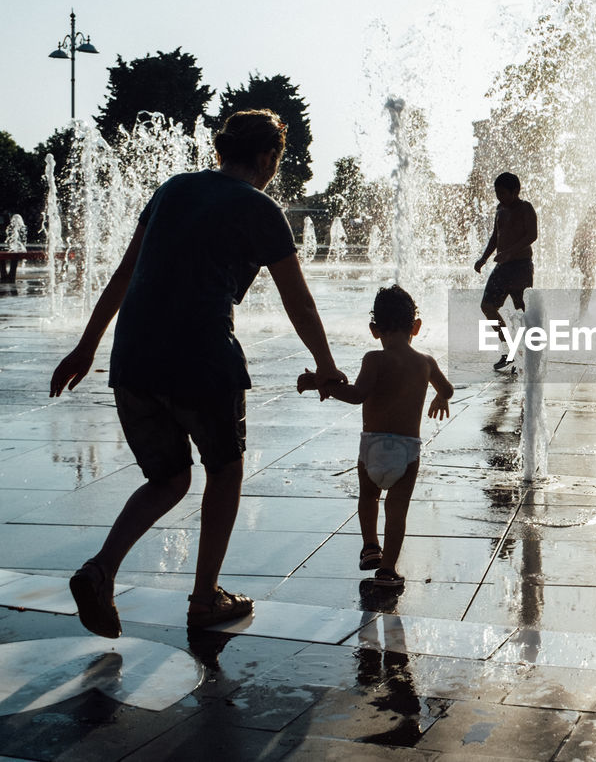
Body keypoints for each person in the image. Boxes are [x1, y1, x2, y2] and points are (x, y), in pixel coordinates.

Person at [49, 109, 345, 637]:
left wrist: (86, 346)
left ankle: (100, 570)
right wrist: (325, 365)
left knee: (168, 478)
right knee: (224, 469)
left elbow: (125, 272)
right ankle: (205, 598)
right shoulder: (261, 208)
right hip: (202, 355)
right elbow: (297, 299)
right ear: (265, 156)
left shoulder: (172, 189)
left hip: (134, 357)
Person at [297, 284, 452, 588]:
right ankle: (388, 570)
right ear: (416, 327)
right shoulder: (426, 363)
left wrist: (321, 383)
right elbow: (447, 389)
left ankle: (370, 547)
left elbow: (356, 396)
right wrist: (441, 398)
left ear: (374, 330)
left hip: (372, 448)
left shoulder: (374, 360)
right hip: (407, 452)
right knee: (397, 511)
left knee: (368, 496)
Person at [474, 172, 537, 371]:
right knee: (487, 306)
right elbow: (495, 236)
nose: (498, 197)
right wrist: (483, 258)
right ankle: (508, 348)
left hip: (520, 266)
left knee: (522, 311)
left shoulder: (525, 208)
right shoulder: (500, 208)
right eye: (496, 192)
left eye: (502, 193)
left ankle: (530, 353)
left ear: (515, 191)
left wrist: (510, 252)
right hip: (502, 267)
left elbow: (532, 235)